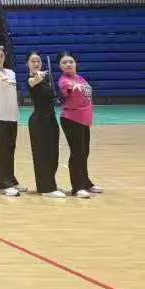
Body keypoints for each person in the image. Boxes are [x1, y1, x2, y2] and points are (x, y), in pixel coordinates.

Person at [57, 51, 101, 199]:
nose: (68, 64)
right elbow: (65, 92)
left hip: (84, 120)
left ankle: (85, 182)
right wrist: (71, 88)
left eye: (71, 61)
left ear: (75, 63)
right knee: (77, 153)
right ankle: (77, 187)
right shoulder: (64, 81)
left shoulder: (80, 78)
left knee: (84, 152)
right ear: (60, 66)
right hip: (71, 119)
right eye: (64, 62)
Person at [25, 52, 65, 199]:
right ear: (27, 64)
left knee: (53, 154)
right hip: (39, 121)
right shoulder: (30, 79)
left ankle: (50, 183)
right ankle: (45, 188)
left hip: (51, 119)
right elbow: (33, 81)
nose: (36, 63)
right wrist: (39, 77)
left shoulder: (45, 80)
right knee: (42, 155)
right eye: (33, 61)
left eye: (38, 61)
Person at [0, 45, 23, 196]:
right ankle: (4, 184)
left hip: (12, 116)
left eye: (1, 56)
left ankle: (11, 179)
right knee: (2, 151)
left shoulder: (11, 73)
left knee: (10, 149)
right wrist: (2, 78)